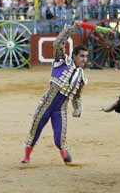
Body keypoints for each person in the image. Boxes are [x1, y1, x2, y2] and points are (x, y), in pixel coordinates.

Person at [21, 21, 88, 165]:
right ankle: (26, 158)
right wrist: (71, 29)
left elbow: (76, 97)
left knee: (60, 138)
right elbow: (58, 43)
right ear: (74, 56)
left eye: (86, 56)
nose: (84, 59)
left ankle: (64, 154)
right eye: (82, 56)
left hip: (61, 108)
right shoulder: (62, 61)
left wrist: (77, 109)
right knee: (35, 130)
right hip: (46, 103)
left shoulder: (81, 77)